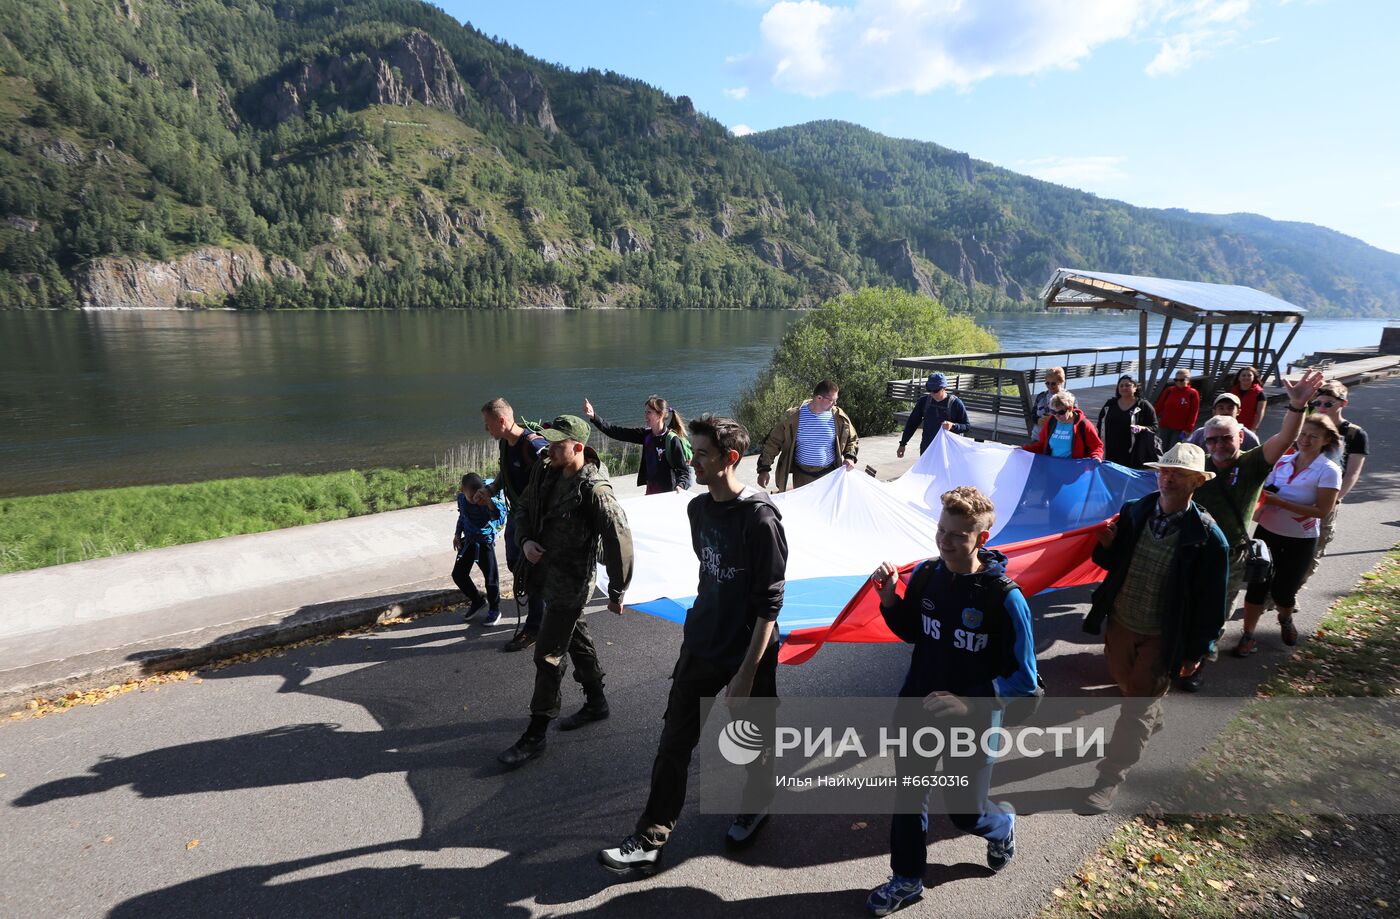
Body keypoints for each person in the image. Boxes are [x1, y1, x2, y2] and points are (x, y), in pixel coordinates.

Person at [599, 416, 787, 872]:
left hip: (748, 653)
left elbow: (769, 604)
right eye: (693, 452)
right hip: (701, 643)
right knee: (674, 742)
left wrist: (745, 674)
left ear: (730, 459)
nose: (691, 461)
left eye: (701, 454)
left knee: (752, 740)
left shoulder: (760, 519)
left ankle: (756, 803)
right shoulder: (697, 510)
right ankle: (651, 835)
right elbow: (710, 574)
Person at [864, 486, 1040, 917]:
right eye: (941, 530)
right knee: (909, 797)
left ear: (981, 538)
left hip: (975, 724)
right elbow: (912, 630)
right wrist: (888, 596)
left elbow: (1026, 682)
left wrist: (969, 704)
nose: (944, 541)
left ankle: (1002, 825)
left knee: (965, 813)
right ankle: (906, 879)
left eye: (958, 535)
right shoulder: (927, 574)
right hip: (917, 710)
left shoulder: (1004, 598)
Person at [1079, 443, 1229, 813]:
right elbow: (1111, 562)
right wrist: (1107, 546)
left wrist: (1197, 651)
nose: (1168, 477)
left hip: (1164, 635)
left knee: (1136, 707)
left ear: (1197, 481)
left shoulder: (1209, 539)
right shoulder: (1135, 511)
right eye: (1163, 470)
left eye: (1178, 472)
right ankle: (1152, 711)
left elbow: (1213, 603)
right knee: (1126, 683)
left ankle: (1110, 777)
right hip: (1122, 621)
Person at [498, 415, 634, 767]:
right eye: (548, 442)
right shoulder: (546, 468)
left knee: (548, 656)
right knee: (577, 637)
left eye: (557, 444)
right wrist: (525, 539)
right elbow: (524, 506)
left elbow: (619, 539)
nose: (548, 448)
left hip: (572, 583)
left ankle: (537, 732)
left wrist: (618, 590)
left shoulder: (594, 489)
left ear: (578, 447)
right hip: (544, 574)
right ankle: (596, 702)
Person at [1183, 369, 1324, 691]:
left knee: (1216, 612)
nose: (1219, 444)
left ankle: (1199, 662)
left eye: (1226, 438)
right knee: (1185, 602)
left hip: (1229, 555)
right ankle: (1180, 652)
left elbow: (1286, 438)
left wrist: (1297, 406)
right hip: (1190, 548)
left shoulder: (1252, 464)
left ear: (1240, 438)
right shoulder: (1197, 465)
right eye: (1212, 439)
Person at [1233, 415, 1342, 656]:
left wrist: (1280, 502)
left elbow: (1322, 511)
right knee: (1256, 587)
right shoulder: (1283, 462)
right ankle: (1248, 636)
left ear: (1326, 441)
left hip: (1300, 539)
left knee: (1284, 591)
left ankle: (1285, 618)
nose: (1305, 440)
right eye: (1302, 434)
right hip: (1267, 534)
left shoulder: (1328, 470)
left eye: (1313, 436)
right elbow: (1264, 491)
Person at [478, 398, 550, 652]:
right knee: (515, 564)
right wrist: (491, 488)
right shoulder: (506, 444)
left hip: (535, 522)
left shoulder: (533, 445)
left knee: (533, 573)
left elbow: (553, 478)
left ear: (501, 421)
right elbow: (506, 473)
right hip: (517, 517)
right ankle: (547, 609)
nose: (486, 430)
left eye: (488, 424)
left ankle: (535, 627)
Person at [1302, 380, 1368, 579]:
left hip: (1328, 498)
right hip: (1299, 493)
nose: (1321, 408)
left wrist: (1334, 500)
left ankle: (1290, 593)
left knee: (1314, 547)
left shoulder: (1355, 434)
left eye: (1328, 403)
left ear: (1343, 404)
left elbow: (1352, 473)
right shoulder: (1307, 426)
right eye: (1318, 403)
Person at [756, 379, 858, 492]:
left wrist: (850, 457)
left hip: (830, 474)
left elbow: (852, 439)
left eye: (836, 400)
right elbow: (773, 442)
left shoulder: (839, 417)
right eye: (832, 401)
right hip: (802, 477)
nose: (835, 404)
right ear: (819, 398)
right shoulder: (793, 417)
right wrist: (764, 470)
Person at [582, 395, 693, 494]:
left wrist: (680, 486)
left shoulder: (672, 440)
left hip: (668, 494)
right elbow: (617, 432)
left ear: (660, 415)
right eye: (645, 412)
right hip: (651, 493)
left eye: (649, 412)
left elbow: (683, 471)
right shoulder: (646, 435)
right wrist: (594, 417)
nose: (645, 416)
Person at [453, 473, 506, 626]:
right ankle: (477, 601)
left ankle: (495, 610)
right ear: (462, 490)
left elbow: (497, 516)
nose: (475, 500)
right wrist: (457, 534)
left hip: (484, 543)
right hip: (468, 541)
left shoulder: (485, 500)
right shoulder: (462, 498)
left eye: (477, 495)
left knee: (491, 579)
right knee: (458, 575)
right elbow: (462, 517)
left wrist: (487, 502)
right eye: (471, 497)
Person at [897, 372, 970, 458]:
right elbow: (912, 423)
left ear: (944, 388)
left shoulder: (956, 404)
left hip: (948, 452)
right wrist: (903, 444)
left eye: (935, 391)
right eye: (929, 390)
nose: (932, 393)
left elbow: (967, 426)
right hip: (927, 449)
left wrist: (953, 426)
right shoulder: (924, 401)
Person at [1098, 375, 1159, 468]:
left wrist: (1141, 428)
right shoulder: (1110, 404)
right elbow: (1100, 424)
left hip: (1133, 454)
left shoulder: (1143, 405)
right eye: (1121, 385)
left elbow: (1154, 427)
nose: (1124, 388)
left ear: (1135, 387)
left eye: (1127, 385)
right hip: (1110, 452)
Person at [1022, 391, 1104, 460]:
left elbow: (1097, 446)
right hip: (1052, 467)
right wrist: (1024, 449)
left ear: (1070, 408)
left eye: (1061, 413)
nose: (1057, 416)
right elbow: (1042, 445)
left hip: (1074, 470)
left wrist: (1096, 456)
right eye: (1053, 412)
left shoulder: (1084, 425)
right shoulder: (1051, 421)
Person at [1187, 393, 1260, 451]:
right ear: (1214, 411)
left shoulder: (1248, 438)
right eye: (1221, 408)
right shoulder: (1199, 434)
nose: (1225, 411)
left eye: (1230, 408)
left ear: (1238, 411)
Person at [1153, 369, 1200, 447]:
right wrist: (1151, 419)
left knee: (1174, 449)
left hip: (1180, 429)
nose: (1178, 382)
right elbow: (1159, 406)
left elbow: (1194, 412)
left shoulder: (1193, 393)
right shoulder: (1169, 390)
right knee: (1161, 449)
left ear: (1188, 380)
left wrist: (1188, 429)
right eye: (1176, 380)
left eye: (1181, 380)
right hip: (1165, 426)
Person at [1030, 366, 1067, 441]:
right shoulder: (1041, 396)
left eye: (1053, 384)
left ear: (1061, 382)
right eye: (1047, 383)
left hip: (1056, 439)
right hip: (1037, 437)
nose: (1050, 386)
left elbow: (1073, 418)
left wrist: (1052, 420)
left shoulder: (1067, 398)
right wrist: (1038, 420)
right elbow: (1032, 414)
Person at [1229, 366, 1267, 432]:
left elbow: (1260, 413)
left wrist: (1254, 428)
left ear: (1253, 378)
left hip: (1248, 428)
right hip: (1232, 425)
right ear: (1239, 378)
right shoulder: (1232, 392)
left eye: (1249, 375)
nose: (1246, 377)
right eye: (1243, 375)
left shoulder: (1260, 394)